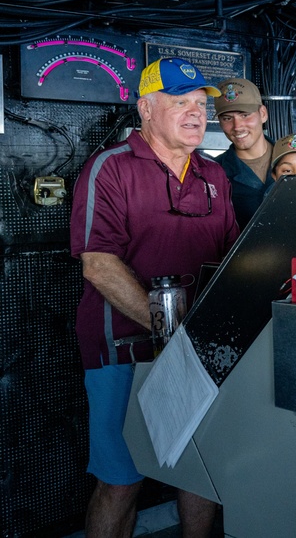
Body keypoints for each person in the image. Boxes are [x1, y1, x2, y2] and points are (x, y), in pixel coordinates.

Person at [71, 57, 240, 538]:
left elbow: (231, 258)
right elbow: (98, 264)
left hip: (199, 352)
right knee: (121, 482)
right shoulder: (111, 169)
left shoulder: (213, 174)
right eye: (180, 102)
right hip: (125, 352)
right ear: (145, 108)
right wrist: (170, 329)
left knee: (200, 470)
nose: (196, 113)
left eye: (201, 104)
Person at [211, 77, 274, 230]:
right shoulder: (213, 173)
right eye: (227, 118)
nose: (237, 126)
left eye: (245, 115)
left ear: (263, 114)